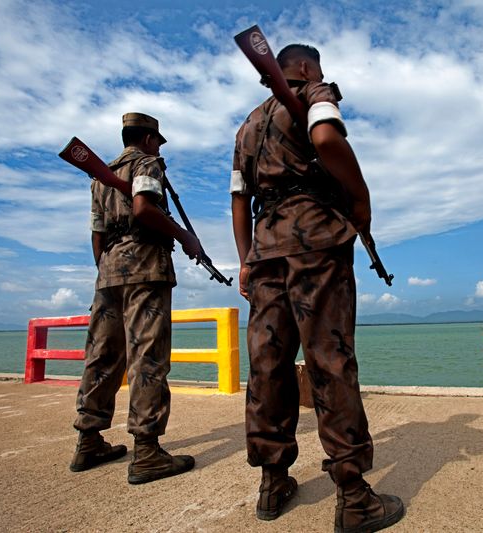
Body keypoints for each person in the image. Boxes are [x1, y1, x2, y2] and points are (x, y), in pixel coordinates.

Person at [231, 44, 405, 532]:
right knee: (329, 358)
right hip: (315, 241)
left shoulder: (247, 126)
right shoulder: (314, 92)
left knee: (268, 363)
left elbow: (239, 199)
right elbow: (326, 137)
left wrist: (245, 260)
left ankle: (272, 481)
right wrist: (361, 198)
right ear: (307, 68)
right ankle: (354, 496)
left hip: (265, 248)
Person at [70, 112, 202, 485]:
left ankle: (88, 440)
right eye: (157, 141)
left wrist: (106, 272)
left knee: (102, 355)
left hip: (108, 272)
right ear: (147, 140)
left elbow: (97, 234)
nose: (158, 148)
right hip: (146, 268)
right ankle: (147, 452)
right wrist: (185, 237)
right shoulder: (147, 163)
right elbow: (144, 207)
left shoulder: (100, 177)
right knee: (148, 357)